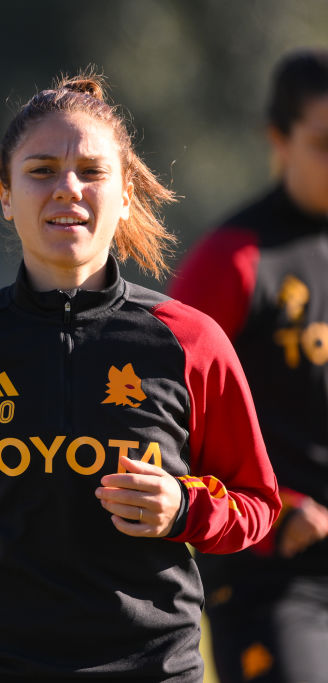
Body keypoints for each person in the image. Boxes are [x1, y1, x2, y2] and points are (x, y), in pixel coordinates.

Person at [0, 71, 281, 681]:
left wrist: (184, 508)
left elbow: (257, 502)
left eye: (92, 172)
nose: (67, 189)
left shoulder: (190, 341)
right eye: (41, 170)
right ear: (5, 194)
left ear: (126, 193)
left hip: (153, 668)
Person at [168, 48, 328, 683]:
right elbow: (157, 414)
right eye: (323, 143)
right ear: (278, 141)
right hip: (274, 579)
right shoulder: (234, 260)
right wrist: (277, 507)